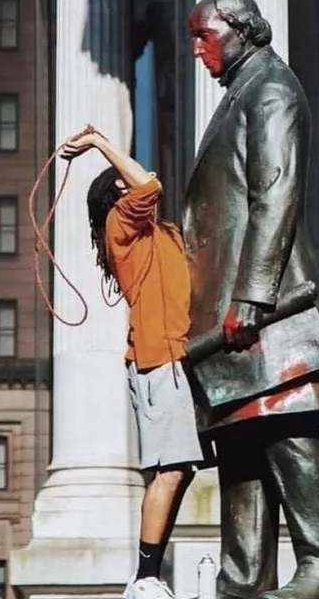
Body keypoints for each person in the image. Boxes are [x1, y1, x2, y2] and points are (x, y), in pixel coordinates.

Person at [182, 0, 319, 599]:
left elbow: (274, 192)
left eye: (203, 35)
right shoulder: (239, 94)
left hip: (266, 309)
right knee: (243, 436)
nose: (196, 48)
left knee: (286, 427)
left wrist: (252, 295)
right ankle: (244, 577)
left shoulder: (271, 89)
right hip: (232, 312)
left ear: (241, 30)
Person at [62, 128, 205, 599]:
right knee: (170, 470)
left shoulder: (160, 234)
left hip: (178, 360)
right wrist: (101, 144)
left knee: (178, 470)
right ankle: (145, 576)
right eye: (125, 181)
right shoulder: (120, 226)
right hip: (158, 361)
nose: (142, 178)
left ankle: (149, 573)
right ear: (117, 196)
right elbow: (148, 186)